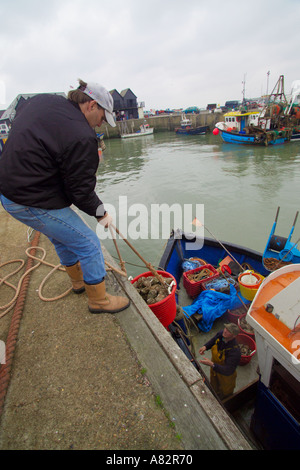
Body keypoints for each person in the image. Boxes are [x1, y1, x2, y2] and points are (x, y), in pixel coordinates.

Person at [0, 79, 130, 315]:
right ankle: (99, 301)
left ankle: (79, 283)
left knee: (62, 238)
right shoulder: (81, 136)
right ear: (91, 105)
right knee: (89, 244)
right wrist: (101, 213)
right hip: (27, 199)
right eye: (102, 117)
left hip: (9, 191)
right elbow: (80, 190)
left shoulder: (44, 101)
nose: (101, 124)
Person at [198, 323, 241, 399]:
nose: (225, 331)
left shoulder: (235, 352)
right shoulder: (221, 334)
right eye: (226, 328)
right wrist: (205, 346)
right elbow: (214, 340)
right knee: (213, 386)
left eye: (228, 331)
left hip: (226, 377)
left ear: (234, 336)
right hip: (215, 370)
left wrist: (212, 364)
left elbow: (228, 370)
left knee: (225, 393)